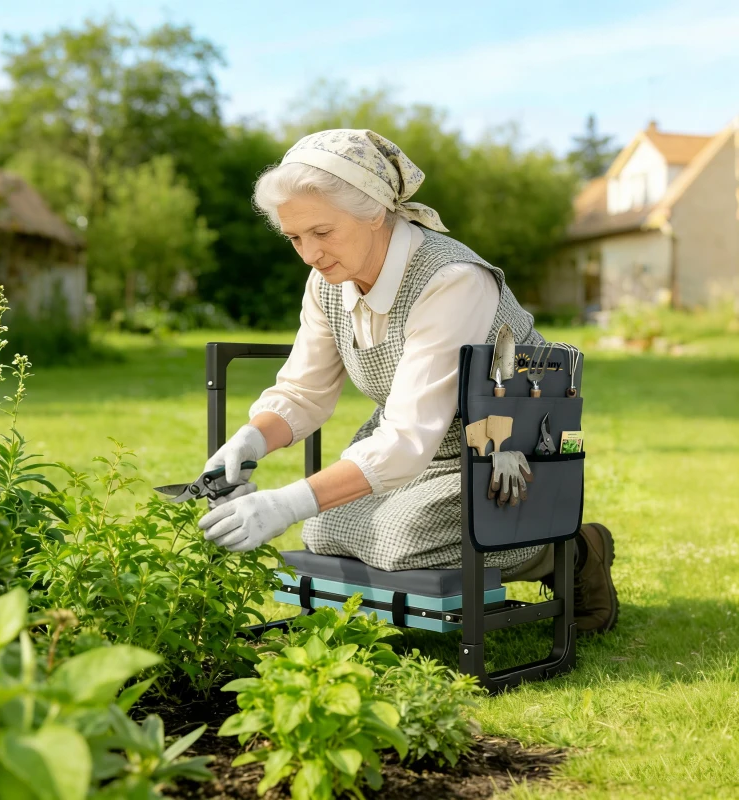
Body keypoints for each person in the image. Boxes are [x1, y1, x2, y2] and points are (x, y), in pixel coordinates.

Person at [200, 129, 618, 634]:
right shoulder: (327, 283)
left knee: (400, 542)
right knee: (325, 532)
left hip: (500, 451)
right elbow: (302, 392)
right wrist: (250, 440)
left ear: (375, 212)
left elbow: (406, 436)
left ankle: (571, 550)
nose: (309, 254)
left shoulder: (452, 278)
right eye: (295, 238)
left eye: (322, 232)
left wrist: (283, 502)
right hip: (415, 450)